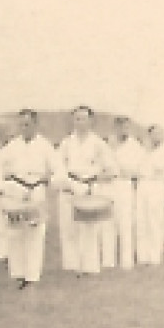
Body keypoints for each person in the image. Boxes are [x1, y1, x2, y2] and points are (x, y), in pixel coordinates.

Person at [0, 110, 62, 288]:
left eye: (27, 124)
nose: (23, 128)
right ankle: (18, 272)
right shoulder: (11, 146)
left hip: (36, 191)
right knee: (15, 232)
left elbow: (59, 171)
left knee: (35, 233)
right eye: (21, 124)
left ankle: (32, 275)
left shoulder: (45, 146)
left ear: (35, 125)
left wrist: (48, 181)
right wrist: (5, 181)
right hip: (16, 191)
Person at [56, 106, 117, 276]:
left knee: (89, 228)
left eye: (83, 118)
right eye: (76, 119)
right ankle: (72, 265)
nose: (80, 122)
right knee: (68, 227)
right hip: (70, 187)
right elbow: (58, 166)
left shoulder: (99, 144)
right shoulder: (66, 143)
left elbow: (111, 169)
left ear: (91, 121)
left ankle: (90, 266)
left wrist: (95, 180)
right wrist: (67, 182)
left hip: (90, 188)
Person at [101, 116, 145, 271]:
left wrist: (124, 171)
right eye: (121, 127)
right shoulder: (107, 144)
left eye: (127, 127)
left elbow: (139, 170)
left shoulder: (135, 147)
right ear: (115, 127)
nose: (124, 130)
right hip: (108, 186)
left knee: (125, 223)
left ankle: (126, 261)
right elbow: (102, 165)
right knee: (107, 223)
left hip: (125, 185)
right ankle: (108, 261)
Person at [135, 124, 164, 265]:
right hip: (143, 184)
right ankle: (142, 256)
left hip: (157, 185)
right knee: (141, 220)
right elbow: (137, 168)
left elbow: (160, 168)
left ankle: (155, 256)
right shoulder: (142, 150)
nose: (157, 137)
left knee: (155, 220)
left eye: (159, 134)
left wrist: (149, 156)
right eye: (154, 134)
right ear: (149, 135)